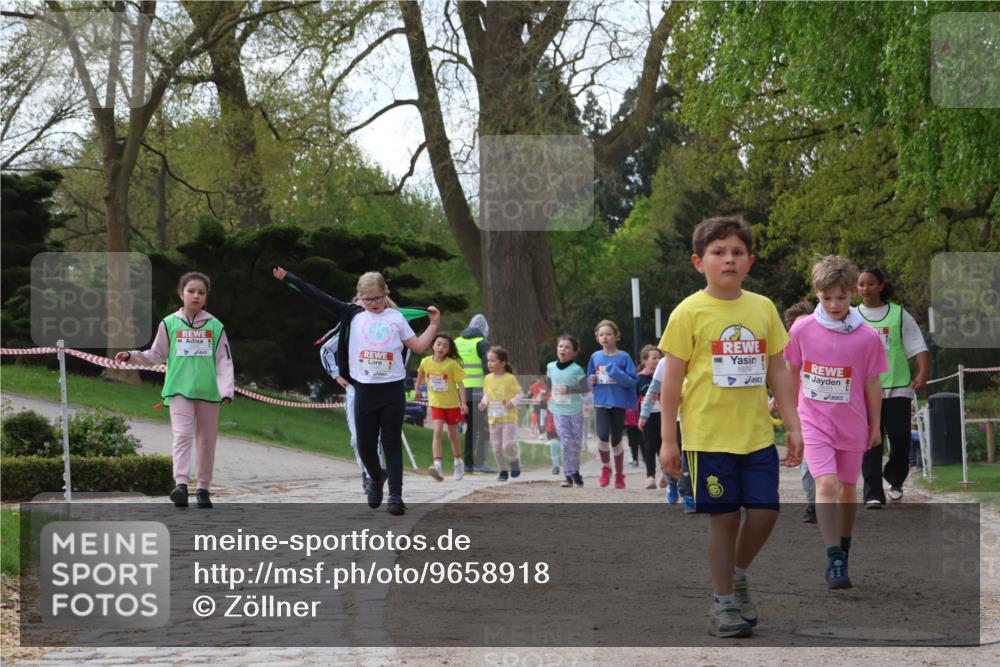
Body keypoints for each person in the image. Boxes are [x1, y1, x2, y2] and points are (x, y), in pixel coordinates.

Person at [658, 215, 803, 638]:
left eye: (737, 252)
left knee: (765, 512)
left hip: (756, 434)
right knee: (723, 518)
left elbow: (779, 369)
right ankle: (722, 604)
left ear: (750, 261)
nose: (728, 260)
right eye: (718, 253)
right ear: (698, 262)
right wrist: (670, 439)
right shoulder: (689, 311)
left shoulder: (762, 308)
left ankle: (738, 575)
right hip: (707, 437)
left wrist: (792, 425)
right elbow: (671, 381)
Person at [273, 267, 439, 516]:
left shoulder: (395, 318)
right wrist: (289, 278)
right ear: (359, 297)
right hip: (364, 390)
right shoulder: (351, 314)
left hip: (392, 390)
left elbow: (417, 346)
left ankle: (396, 496)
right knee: (364, 444)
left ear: (386, 293)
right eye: (368, 299)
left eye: (378, 298)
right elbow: (317, 295)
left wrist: (434, 323)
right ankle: (375, 477)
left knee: (392, 444)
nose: (373, 304)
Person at [784, 256, 887, 590]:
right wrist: (792, 421)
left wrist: (875, 426)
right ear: (817, 293)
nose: (834, 305)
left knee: (847, 489)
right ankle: (834, 558)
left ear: (852, 294)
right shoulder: (801, 329)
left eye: (841, 298)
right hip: (814, 420)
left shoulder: (868, 337)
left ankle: (844, 544)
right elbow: (791, 372)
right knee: (825, 485)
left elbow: (873, 383)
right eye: (826, 298)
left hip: (852, 422)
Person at [117, 272, 234, 509]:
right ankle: (180, 485)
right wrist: (132, 356)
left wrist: (226, 390)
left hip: (209, 394)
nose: (196, 296)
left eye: (201, 292)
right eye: (191, 291)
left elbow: (224, 361)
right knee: (181, 436)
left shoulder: (215, 326)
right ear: (181, 294)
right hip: (179, 390)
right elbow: (155, 355)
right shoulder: (169, 323)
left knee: (206, 441)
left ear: (206, 298)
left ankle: (203, 489)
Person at [857, 267, 929, 506]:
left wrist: (922, 371)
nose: (865, 288)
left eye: (870, 283)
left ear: (881, 286)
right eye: (861, 284)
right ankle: (873, 493)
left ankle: (895, 479)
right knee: (870, 440)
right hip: (865, 388)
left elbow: (917, 344)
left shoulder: (898, 314)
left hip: (897, 385)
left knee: (900, 438)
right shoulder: (852, 316)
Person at [587, 320, 638, 489]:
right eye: (601, 335)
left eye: (608, 334)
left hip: (618, 403)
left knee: (616, 439)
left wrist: (616, 373)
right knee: (602, 436)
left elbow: (632, 381)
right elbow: (589, 379)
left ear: (616, 336)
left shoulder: (624, 357)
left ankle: (619, 474)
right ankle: (606, 467)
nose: (605, 337)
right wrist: (591, 380)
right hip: (601, 402)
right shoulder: (595, 357)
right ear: (597, 338)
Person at [638, 354, 694, 508]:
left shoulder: (700, 356)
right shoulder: (665, 362)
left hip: (695, 417)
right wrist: (644, 414)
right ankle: (672, 482)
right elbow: (652, 390)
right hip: (673, 417)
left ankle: (688, 493)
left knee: (689, 456)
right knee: (673, 456)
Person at [780, 300, 818, 523]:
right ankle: (813, 502)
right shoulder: (791, 353)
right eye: (797, 327)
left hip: (832, 411)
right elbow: (786, 377)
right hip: (805, 411)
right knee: (808, 461)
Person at [416, 333, 467, 481]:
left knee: (452, 435)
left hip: (452, 405)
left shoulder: (451, 364)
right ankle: (437, 465)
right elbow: (421, 373)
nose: (441, 347)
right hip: (436, 404)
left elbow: (461, 384)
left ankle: (458, 462)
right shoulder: (426, 361)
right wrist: (418, 389)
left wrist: (463, 403)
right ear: (433, 345)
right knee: (437, 432)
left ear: (449, 350)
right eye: (438, 344)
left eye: (445, 346)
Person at [546, 335, 589, 488]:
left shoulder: (577, 369)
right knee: (565, 441)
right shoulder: (550, 367)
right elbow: (548, 384)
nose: (563, 349)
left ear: (574, 352)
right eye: (560, 346)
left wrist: (569, 389)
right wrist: (548, 398)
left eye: (567, 347)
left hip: (575, 412)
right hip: (558, 411)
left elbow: (585, 388)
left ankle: (575, 471)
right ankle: (568, 476)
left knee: (575, 444)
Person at [478, 346, 523, 481]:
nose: (489, 363)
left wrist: (512, 403)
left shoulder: (510, 378)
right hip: (493, 418)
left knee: (507, 445)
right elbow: (487, 394)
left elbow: (520, 394)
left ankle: (514, 460)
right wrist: (483, 403)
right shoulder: (487, 378)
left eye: (493, 360)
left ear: (503, 363)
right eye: (488, 361)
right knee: (496, 448)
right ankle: (502, 471)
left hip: (508, 418)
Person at [455, 315, 492, 472]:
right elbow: (488, 367)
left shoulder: (457, 341)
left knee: (470, 428)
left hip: (460, 390)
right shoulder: (482, 343)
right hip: (478, 390)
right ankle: (480, 462)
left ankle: (469, 463)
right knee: (482, 428)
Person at [635, 345, 663, 489]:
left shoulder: (664, 376)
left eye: (659, 357)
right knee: (650, 447)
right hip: (647, 418)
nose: (658, 360)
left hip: (663, 416)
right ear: (645, 360)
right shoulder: (639, 379)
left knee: (663, 447)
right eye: (654, 358)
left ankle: (666, 474)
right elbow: (634, 398)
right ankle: (650, 477)